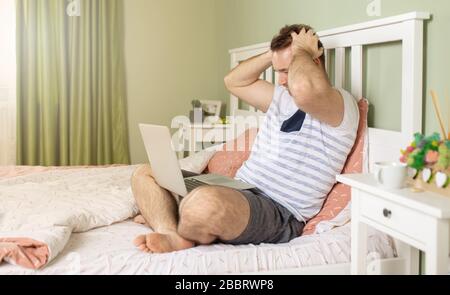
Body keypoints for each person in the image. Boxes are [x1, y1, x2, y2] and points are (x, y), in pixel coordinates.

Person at [132, 24, 359, 253]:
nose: (281, 80)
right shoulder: (281, 98)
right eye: (278, 70)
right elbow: (234, 81)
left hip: (278, 209)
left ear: (314, 62)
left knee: (202, 203)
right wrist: (275, 54)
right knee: (145, 173)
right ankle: (169, 230)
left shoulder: (340, 105)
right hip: (239, 189)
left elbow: (304, 90)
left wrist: (301, 51)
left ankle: (176, 215)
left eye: (287, 70)